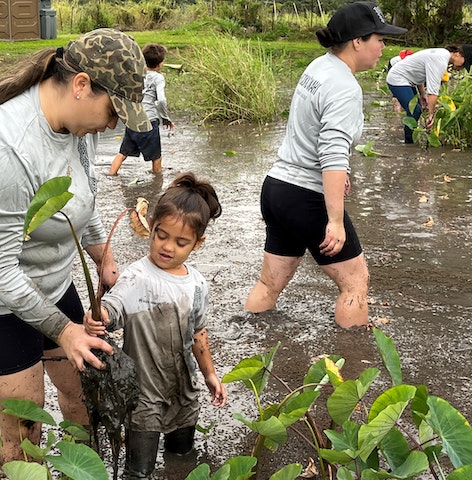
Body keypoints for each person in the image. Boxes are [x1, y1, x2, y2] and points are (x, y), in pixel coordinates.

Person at [0, 28, 152, 469]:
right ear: (80, 86)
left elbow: (79, 197)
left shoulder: (78, 124)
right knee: (24, 431)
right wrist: (64, 330)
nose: (113, 124)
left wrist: (103, 256)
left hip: (49, 281)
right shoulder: (7, 150)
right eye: (113, 111)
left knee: (80, 390)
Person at [244, 2, 406, 329]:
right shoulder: (345, 87)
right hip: (307, 197)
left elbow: (311, 133)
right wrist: (335, 220)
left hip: (278, 188)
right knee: (355, 283)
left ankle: (249, 344)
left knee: (269, 285)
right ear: (358, 41)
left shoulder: (319, 66)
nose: (383, 47)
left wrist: (338, 175)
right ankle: (352, 370)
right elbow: (331, 153)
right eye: (379, 38)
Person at [84, 172, 227, 479]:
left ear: (197, 244)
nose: (168, 247)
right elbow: (113, 306)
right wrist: (98, 315)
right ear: (151, 227)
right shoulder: (137, 276)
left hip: (183, 390)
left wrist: (211, 375)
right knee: (139, 471)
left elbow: (198, 334)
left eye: (181, 242)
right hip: (144, 395)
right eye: (161, 235)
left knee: (182, 458)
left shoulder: (197, 284)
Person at [108, 43, 174, 176]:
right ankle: (156, 184)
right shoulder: (158, 78)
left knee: (122, 153)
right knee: (156, 157)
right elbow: (161, 100)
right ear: (160, 64)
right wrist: (165, 119)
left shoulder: (136, 75)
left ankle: (111, 175)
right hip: (148, 121)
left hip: (132, 119)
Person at [387, 45, 467, 143]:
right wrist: (431, 115)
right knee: (414, 111)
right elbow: (433, 92)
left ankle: (410, 138)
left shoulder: (441, 54)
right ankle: (409, 143)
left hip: (408, 79)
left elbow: (419, 73)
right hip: (397, 78)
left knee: (417, 109)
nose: (462, 68)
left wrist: (422, 94)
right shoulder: (440, 60)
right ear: (458, 54)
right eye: (464, 63)